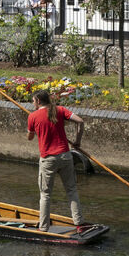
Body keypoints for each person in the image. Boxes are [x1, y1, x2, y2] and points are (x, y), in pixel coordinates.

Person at [26, 89, 86, 233]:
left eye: (33, 101)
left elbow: (29, 138)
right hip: (66, 156)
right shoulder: (60, 110)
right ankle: (79, 224)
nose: (32, 103)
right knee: (71, 190)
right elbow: (80, 121)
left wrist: (31, 128)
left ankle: (44, 227)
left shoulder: (33, 116)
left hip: (48, 159)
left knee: (45, 194)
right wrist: (77, 142)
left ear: (38, 101)